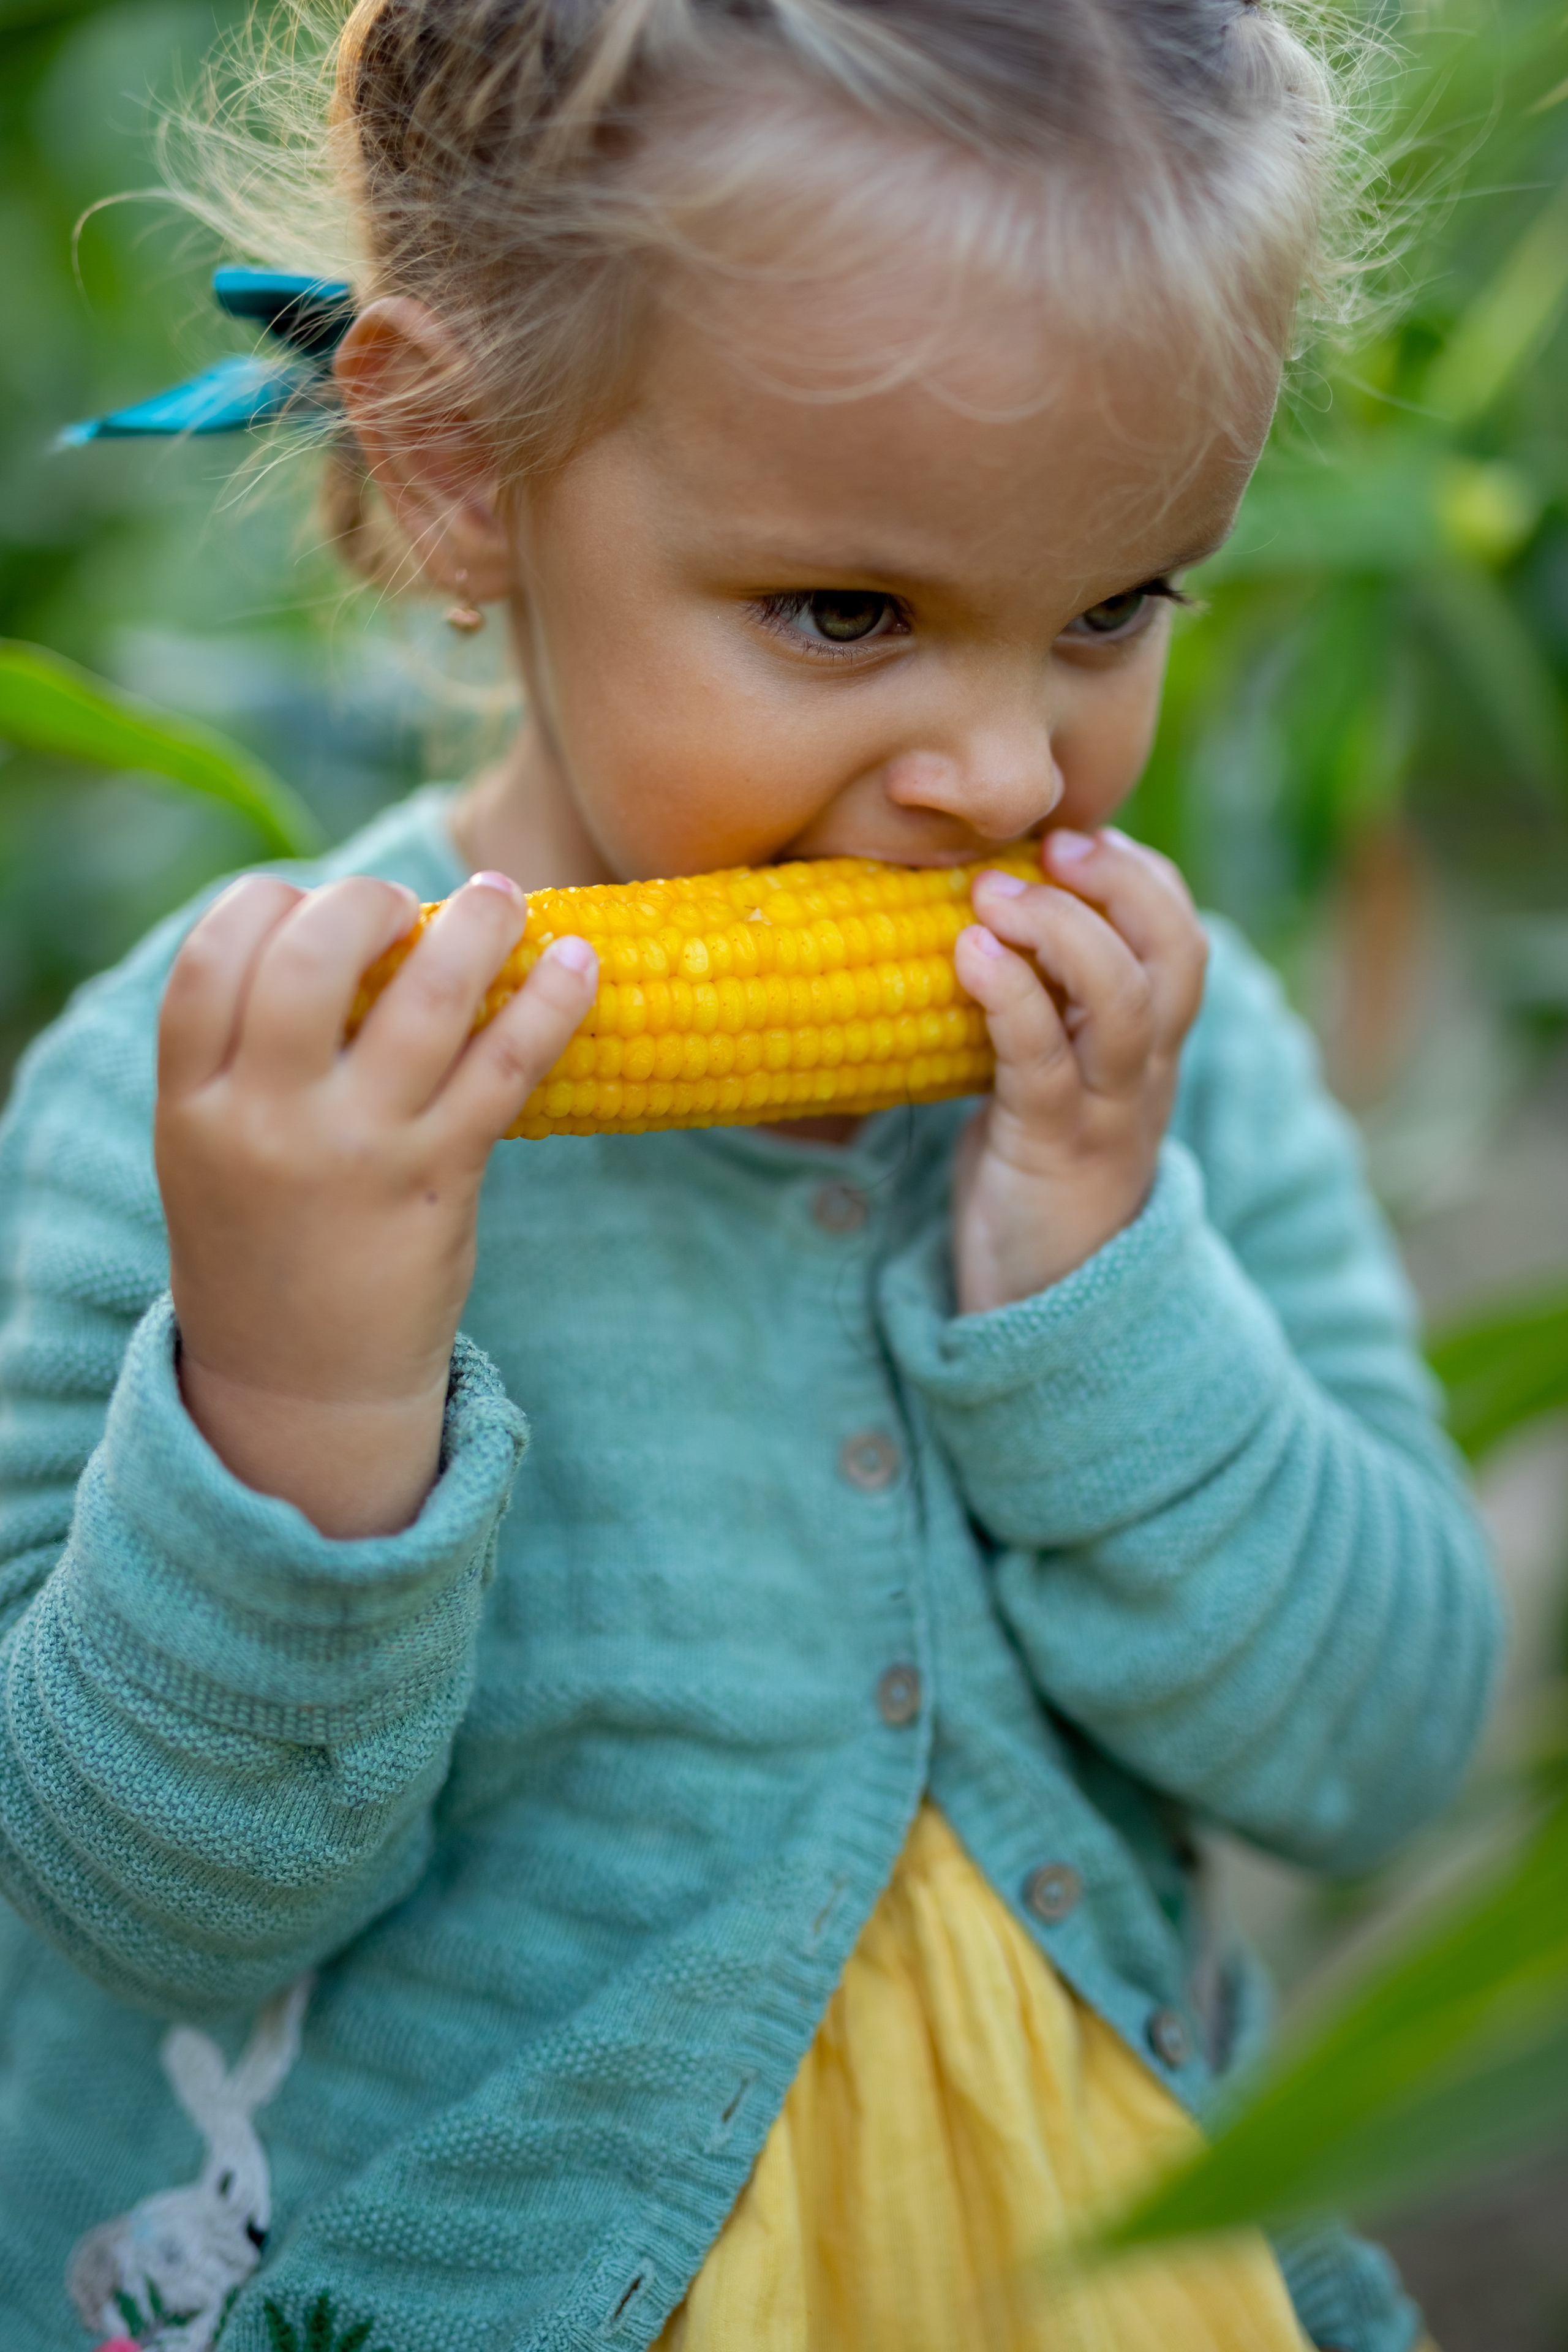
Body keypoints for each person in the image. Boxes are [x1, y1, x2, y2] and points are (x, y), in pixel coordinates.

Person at [0, 3, 1500, 2348]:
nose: (1010, 772)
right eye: (849, 617)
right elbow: (133, 1915)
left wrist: (1099, 1283)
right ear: (457, 464)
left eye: (1117, 606)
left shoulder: (1172, 1075)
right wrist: (287, 1399)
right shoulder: (204, 1119)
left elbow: (1380, 1751)